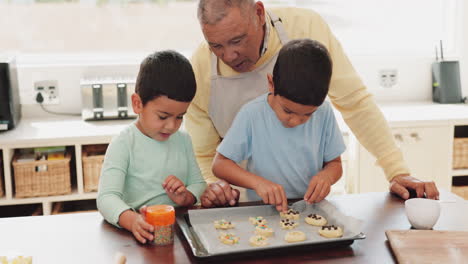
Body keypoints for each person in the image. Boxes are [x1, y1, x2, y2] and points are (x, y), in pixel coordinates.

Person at [186, 0, 439, 208]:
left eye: (238, 40)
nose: (229, 56)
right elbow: (205, 156)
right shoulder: (200, 69)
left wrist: (397, 171)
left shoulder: (306, 27)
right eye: (215, 45)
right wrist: (216, 189)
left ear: (259, 13)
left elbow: (356, 103)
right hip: (242, 204)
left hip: (308, 206)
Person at [213, 39, 345, 212]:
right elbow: (220, 164)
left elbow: (335, 164)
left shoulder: (324, 112)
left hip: (310, 210)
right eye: (288, 111)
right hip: (262, 211)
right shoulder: (252, 114)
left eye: (308, 114)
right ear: (271, 84)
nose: (296, 121)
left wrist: (326, 177)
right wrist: (258, 183)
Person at [97, 50, 206, 244]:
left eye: (180, 116)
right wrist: (132, 221)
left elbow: (199, 184)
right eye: (163, 116)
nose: (172, 126)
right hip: (139, 233)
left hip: (177, 234)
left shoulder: (183, 140)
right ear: (137, 104)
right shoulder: (123, 144)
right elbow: (106, 198)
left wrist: (185, 197)